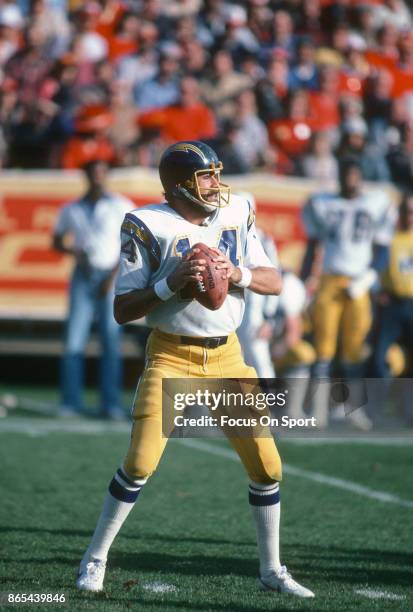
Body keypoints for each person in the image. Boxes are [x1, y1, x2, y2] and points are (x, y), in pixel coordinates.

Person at [76, 140, 314, 598]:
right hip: (170, 354)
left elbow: (274, 280)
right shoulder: (147, 223)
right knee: (140, 462)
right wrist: (171, 285)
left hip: (227, 355)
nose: (216, 184)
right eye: (206, 176)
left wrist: (236, 272)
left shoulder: (237, 211)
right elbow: (123, 309)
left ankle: (271, 569)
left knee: (268, 467)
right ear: (180, 185)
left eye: (215, 174)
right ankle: (95, 558)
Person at [301, 157, 395, 429]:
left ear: (361, 178)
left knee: (354, 348)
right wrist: (306, 277)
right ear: (340, 177)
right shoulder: (322, 202)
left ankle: (354, 409)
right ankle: (318, 408)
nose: (351, 180)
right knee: (324, 347)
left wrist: (368, 277)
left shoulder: (376, 203)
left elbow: (383, 249)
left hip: (358, 283)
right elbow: (312, 245)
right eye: (347, 175)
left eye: (355, 175)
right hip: (330, 280)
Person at [52, 159, 134, 418]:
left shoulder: (121, 205)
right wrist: (74, 251)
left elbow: (131, 244)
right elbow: (56, 240)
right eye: (93, 173)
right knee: (74, 340)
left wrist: (113, 276)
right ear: (86, 176)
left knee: (111, 341)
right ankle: (70, 402)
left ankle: (110, 403)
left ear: (107, 175)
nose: (98, 177)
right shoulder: (71, 208)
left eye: (102, 172)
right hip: (84, 274)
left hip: (111, 274)